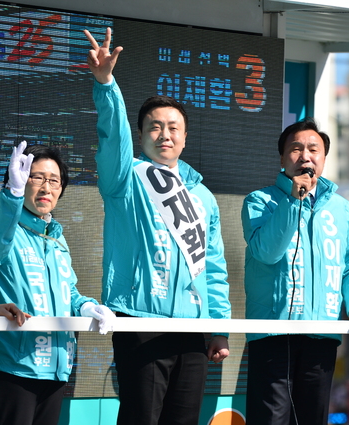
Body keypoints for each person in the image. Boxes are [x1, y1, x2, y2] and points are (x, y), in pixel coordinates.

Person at [85, 28, 231, 425]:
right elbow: (111, 139)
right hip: (141, 322)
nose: (164, 134)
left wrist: (219, 329)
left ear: (184, 137)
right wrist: (106, 84)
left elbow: (213, 269)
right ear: (142, 134)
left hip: (194, 330)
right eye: (154, 126)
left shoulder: (202, 197)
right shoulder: (126, 178)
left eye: (173, 127)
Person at [241, 118, 349, 425]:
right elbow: (267, 252)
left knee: (311, 418)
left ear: (324, 158)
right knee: (271, 418)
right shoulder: (260, 201)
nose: (305, 155)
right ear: (281, 157)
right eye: (296, 148)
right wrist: (292, 199)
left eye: (314, 149)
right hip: (273, 333)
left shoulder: (341, 209)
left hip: (321, 333)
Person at [0, 142, 115, 425]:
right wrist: (12, 195)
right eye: (37, 178)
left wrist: (88, 307)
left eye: (54, 181)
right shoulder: (3, 231)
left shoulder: (56, 238)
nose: (47, 187)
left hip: (57, 367)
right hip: (14, 366)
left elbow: (68, 291)